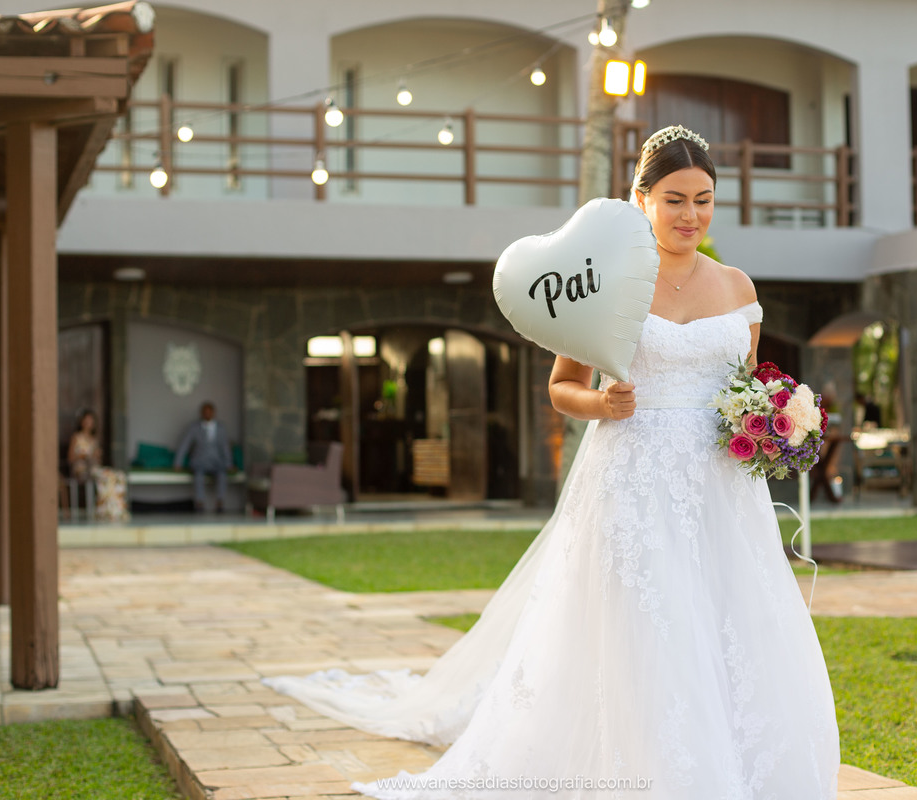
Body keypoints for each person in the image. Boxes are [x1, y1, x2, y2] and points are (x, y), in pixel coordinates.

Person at [264, 126, 840, 798]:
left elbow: (742, 384)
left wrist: (766, 420)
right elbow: (560, 386)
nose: (691, 215)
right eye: (675, 199)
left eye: (704, 199)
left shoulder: (737, 287)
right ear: (641, 199)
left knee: (727, 620)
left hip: (716, 485)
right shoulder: (609, 283)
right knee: (649, 624)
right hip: (632, 474)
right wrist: (602, 404)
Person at [66, 409, 129, 521]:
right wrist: (83, 456)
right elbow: (70, 458)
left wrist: (96, 455)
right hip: (81, 469)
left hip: (93, 468)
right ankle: (103, 510)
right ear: (82, 422)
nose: (88, 423)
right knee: (105, 477)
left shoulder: (94, 440)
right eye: (86, 420)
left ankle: (115, 510)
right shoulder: (76, 437)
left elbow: (98, 460)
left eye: (91, 421)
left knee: (117, 476)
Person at [174, 401, 233, 512]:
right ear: (201, 413)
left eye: (209, 412)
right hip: (199, 461)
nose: (207, 414)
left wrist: (229, 463)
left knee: (222, 474)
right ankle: (199, 503)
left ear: (213, 413)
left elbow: (225, 447)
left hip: (216, 462)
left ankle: (220, 502)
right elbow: (184, 445)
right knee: (198, 476)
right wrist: (178, 462)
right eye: (204, 412)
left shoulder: (221, 428)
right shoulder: (194, 427)